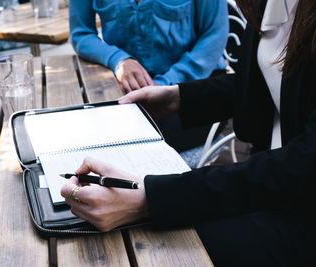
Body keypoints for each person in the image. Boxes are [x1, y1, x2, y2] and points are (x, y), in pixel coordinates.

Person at [61, 0, 316, 265]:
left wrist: (151, 199)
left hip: (307, 216)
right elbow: (273, 83)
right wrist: (178, 98)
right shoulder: (269, 6)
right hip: (270, 189)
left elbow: (310, 162)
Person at [69, 0, 229, 168]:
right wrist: (118, 60)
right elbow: (81, 33)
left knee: (121, 144)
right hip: (126, 91)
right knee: (82, 134)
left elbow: (215, 34)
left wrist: (166, 84)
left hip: (196, 88)